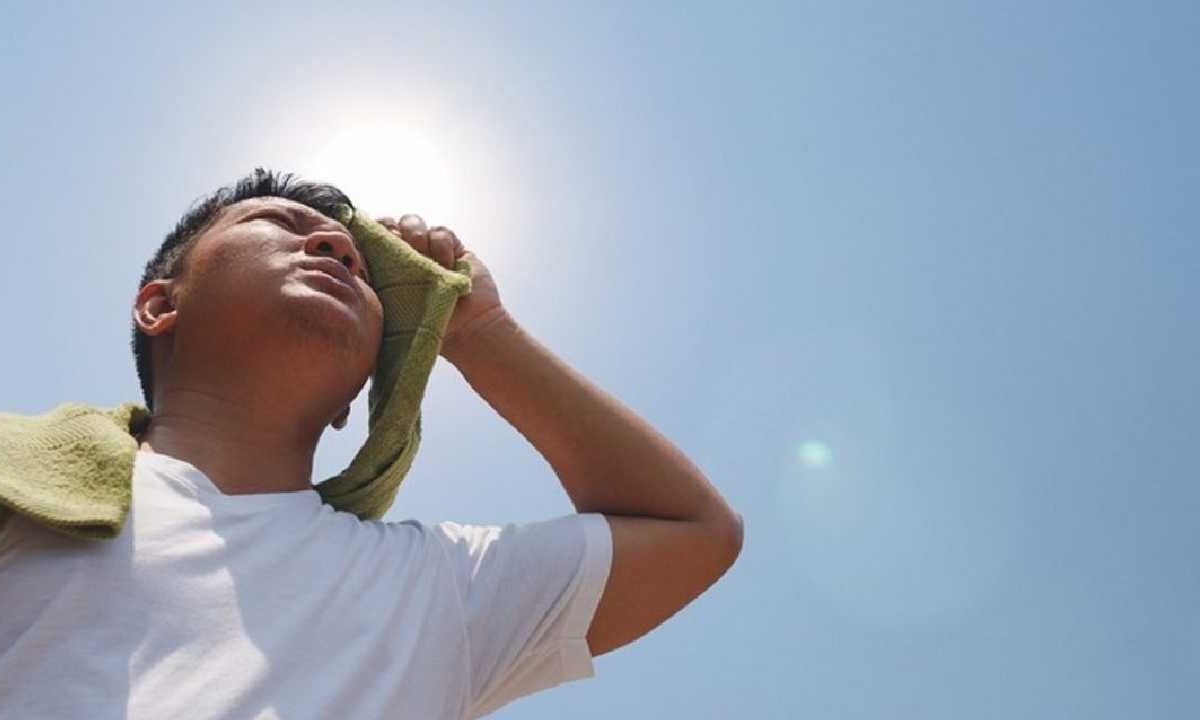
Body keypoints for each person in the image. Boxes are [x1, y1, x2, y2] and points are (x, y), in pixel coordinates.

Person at [0, 167, 743, 719]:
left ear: (352, 403)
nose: (334, 245)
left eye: (361, 265)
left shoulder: (434, 590)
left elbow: (694, 532)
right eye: (278, 223)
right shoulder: (24, 483)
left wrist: (482, 333)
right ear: (161, 305)